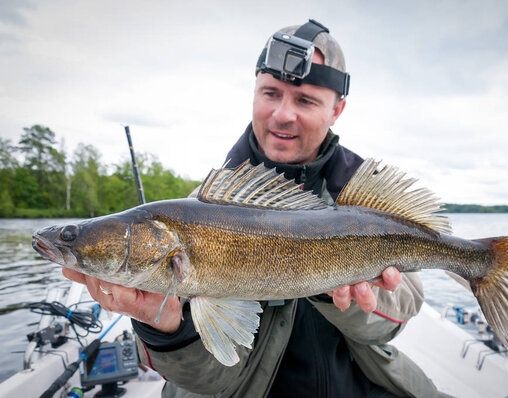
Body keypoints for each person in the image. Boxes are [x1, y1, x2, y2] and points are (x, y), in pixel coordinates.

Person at [63, 20, 448, 397]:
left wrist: (335, 290)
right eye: (270, 93)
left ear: (337, 110)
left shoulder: (368, 202)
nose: (282, 114)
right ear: (254, 94)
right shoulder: (200, 206)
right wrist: (167, 331)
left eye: (305, 100)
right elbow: (209, 380)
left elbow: (395, 320)